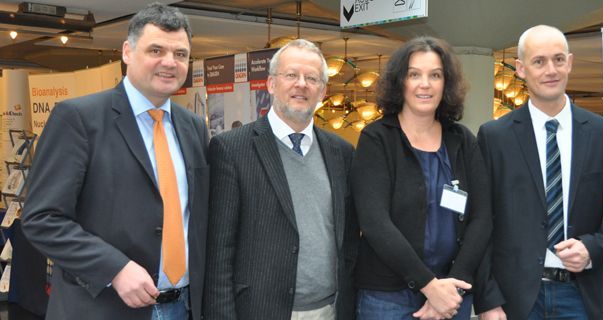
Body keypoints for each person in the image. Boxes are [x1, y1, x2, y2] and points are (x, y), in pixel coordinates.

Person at [21, 3, 209, 320]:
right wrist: (115, 268)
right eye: (156, 50)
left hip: (183, 307)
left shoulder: (194, 128)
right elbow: (42, 218)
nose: (170, 62)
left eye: (180, 54)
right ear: (127, 52)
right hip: (103, 308)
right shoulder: (79, 118)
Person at [473, 25, 603, 320]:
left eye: (558, 59)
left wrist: (592, 248)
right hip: (515, 300)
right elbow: (479, 222)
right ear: (521, 69)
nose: (550, 70)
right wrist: (487, 299)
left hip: (579, 296)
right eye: (539, 61)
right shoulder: (494, 136)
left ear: (570, 63)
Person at [204, 39, 358, 320]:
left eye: (312, 78)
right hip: (259, 310)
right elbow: (219, 250)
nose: (302, 84)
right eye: (291, 75)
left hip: (330, 310)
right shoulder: (232, 148)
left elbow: (348, 240)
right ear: (272, 84)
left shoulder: (342, 152)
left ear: (322, 91)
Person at [350, 36, 493, 320]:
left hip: (453, 294)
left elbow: (482, 217)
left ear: (446, 83)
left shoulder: (462, 140)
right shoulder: (376, 138)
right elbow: (374, 222)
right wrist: (429, 286)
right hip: (388, 299)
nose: (424, 84)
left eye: (435, 75)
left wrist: (453, 288)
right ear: (399, 82)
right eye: (414, 74)